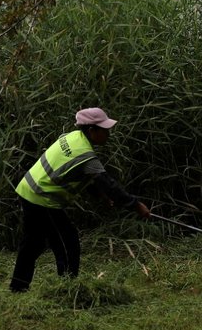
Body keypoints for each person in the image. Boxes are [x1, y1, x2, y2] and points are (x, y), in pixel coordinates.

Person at [9, 107, 150, 292]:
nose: (108, 134)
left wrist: (100, 196)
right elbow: (109, 184)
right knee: (68, 242)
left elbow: (82, 175)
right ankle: (68, 289)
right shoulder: (86, 156)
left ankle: (18, 287)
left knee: (33, 242)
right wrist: (136, 205)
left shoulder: (72, 137)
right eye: (104, 130)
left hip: (28, 189)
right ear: (92, 131)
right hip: (42, 198)